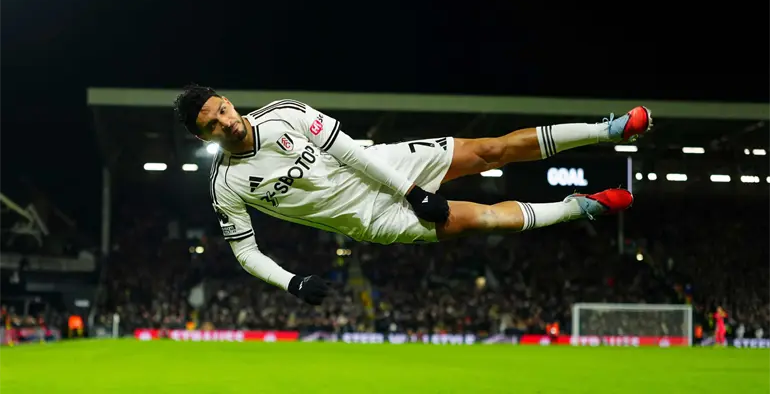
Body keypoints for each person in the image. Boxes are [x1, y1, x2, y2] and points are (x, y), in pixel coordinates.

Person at [173, 84, 652, 305]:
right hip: (370, 219)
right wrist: (292, 282)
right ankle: (578, 207)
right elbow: (245, 252)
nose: (224, 121)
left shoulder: (285, 114)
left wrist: (414, 189)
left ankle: (607, 129)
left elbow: (349, 151)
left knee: (491, 149)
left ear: (228, 102)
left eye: (221, 109)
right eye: (211, 125)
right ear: (204, 138)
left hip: (386, 166)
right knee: (482, 219)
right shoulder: (227, 184)